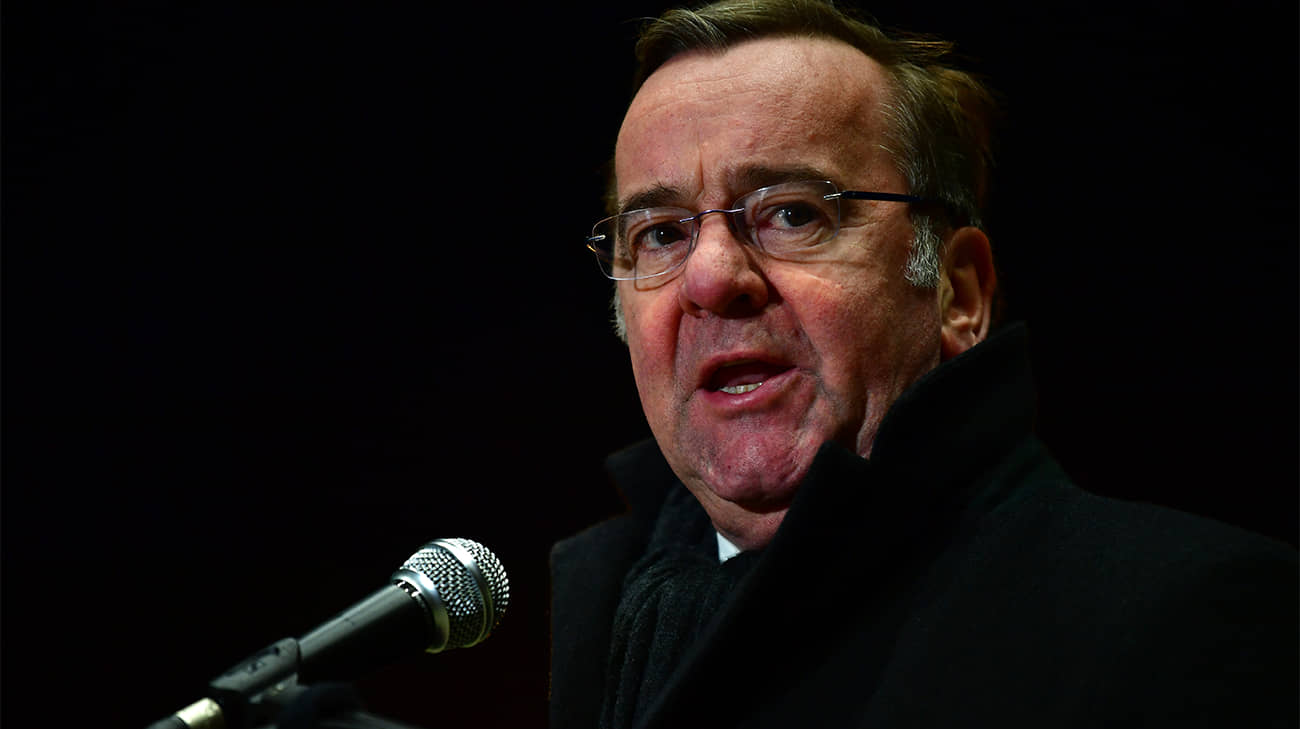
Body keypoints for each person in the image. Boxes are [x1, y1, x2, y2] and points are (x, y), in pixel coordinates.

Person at [549, 1, 1298, 727]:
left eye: (794, 213)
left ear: (957, 293)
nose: (711, 277)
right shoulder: (599, 629)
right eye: (660, 234)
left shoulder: (1186, 618)